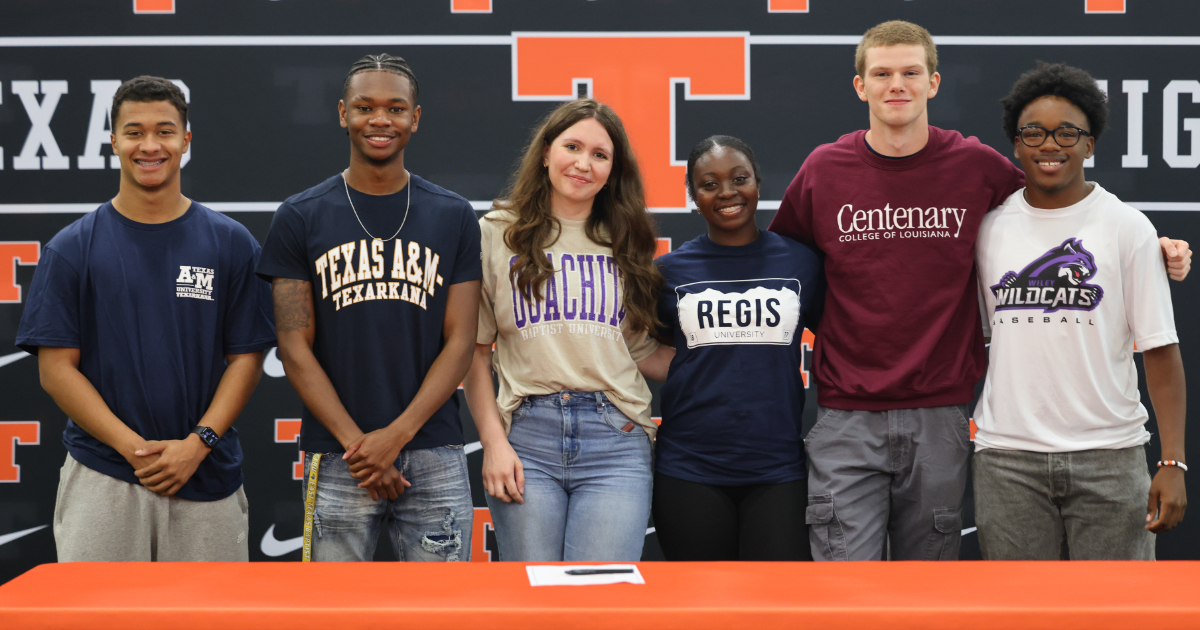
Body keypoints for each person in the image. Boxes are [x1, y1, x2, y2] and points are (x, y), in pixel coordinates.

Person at [767, 20, 1192, 561]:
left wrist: (1157, 248)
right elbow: (778, 266)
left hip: (944, 413)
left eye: (910, 72)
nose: (897, 84)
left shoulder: (976, 167)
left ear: (934, 82)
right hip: (849, 413)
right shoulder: (824, 170)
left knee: (937, 596)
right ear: (861, 86)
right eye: (882, 73)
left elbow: (1059, 206)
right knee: (845, 591)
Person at [16, 76, 275, 562]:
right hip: (103, 476)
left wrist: (198, 444)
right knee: (98, 617)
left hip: (206, 474)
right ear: (113, 141)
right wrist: (136, 449)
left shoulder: (231, 242)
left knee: (211, 618)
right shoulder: (73, 248)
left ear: (187, 141)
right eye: (134, 132)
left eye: (165, 131)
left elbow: (247, 356)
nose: (150, 145)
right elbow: (55, 369)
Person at [256, 54, 481, 562]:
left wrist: (395, 437)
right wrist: (361, 446)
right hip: (339, 454)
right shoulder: (300, 216)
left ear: (415, 118)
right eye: (365, 107)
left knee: (442, 612)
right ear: (342, 113)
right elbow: (293, 345)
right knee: (333, 611)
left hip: (433, 450)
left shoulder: (452, 215)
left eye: (395, 108)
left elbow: (461, 340)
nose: (380, 120)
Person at [973, 62, 1186, 560]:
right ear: (1016, 145)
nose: (1051, 145)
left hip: (1110, 458)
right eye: (1035, 133)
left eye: (1067, 132)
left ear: (1090, 144)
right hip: (1008, 460)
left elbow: (1160, 351)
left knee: (1120, 612)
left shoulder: (1127, 227)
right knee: (1018, 613)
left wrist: (1173, 460)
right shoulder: (988, 231)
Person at [462, 99, 674, 562]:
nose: (583, 163)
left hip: (616, 438)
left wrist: (729, 359)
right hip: (525, 440)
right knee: (534, 604)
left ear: (613, 170)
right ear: (544, 152)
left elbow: (638, 350)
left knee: (602, 606)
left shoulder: (627, 240)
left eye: (600, 155)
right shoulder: (497, 233)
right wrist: (494, 446)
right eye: (572, 146)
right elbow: (475, 355)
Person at [651, 136, 822, 561]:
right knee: (700, 609)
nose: (726, 192)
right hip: (688, 468)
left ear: (758, 185)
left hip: (778, 469)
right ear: (693, 198)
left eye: (738, 179)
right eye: (709, 184)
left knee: (777, 610)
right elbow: (644, 347)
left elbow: (842, 332)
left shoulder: (800, 263)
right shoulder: (667, 272)